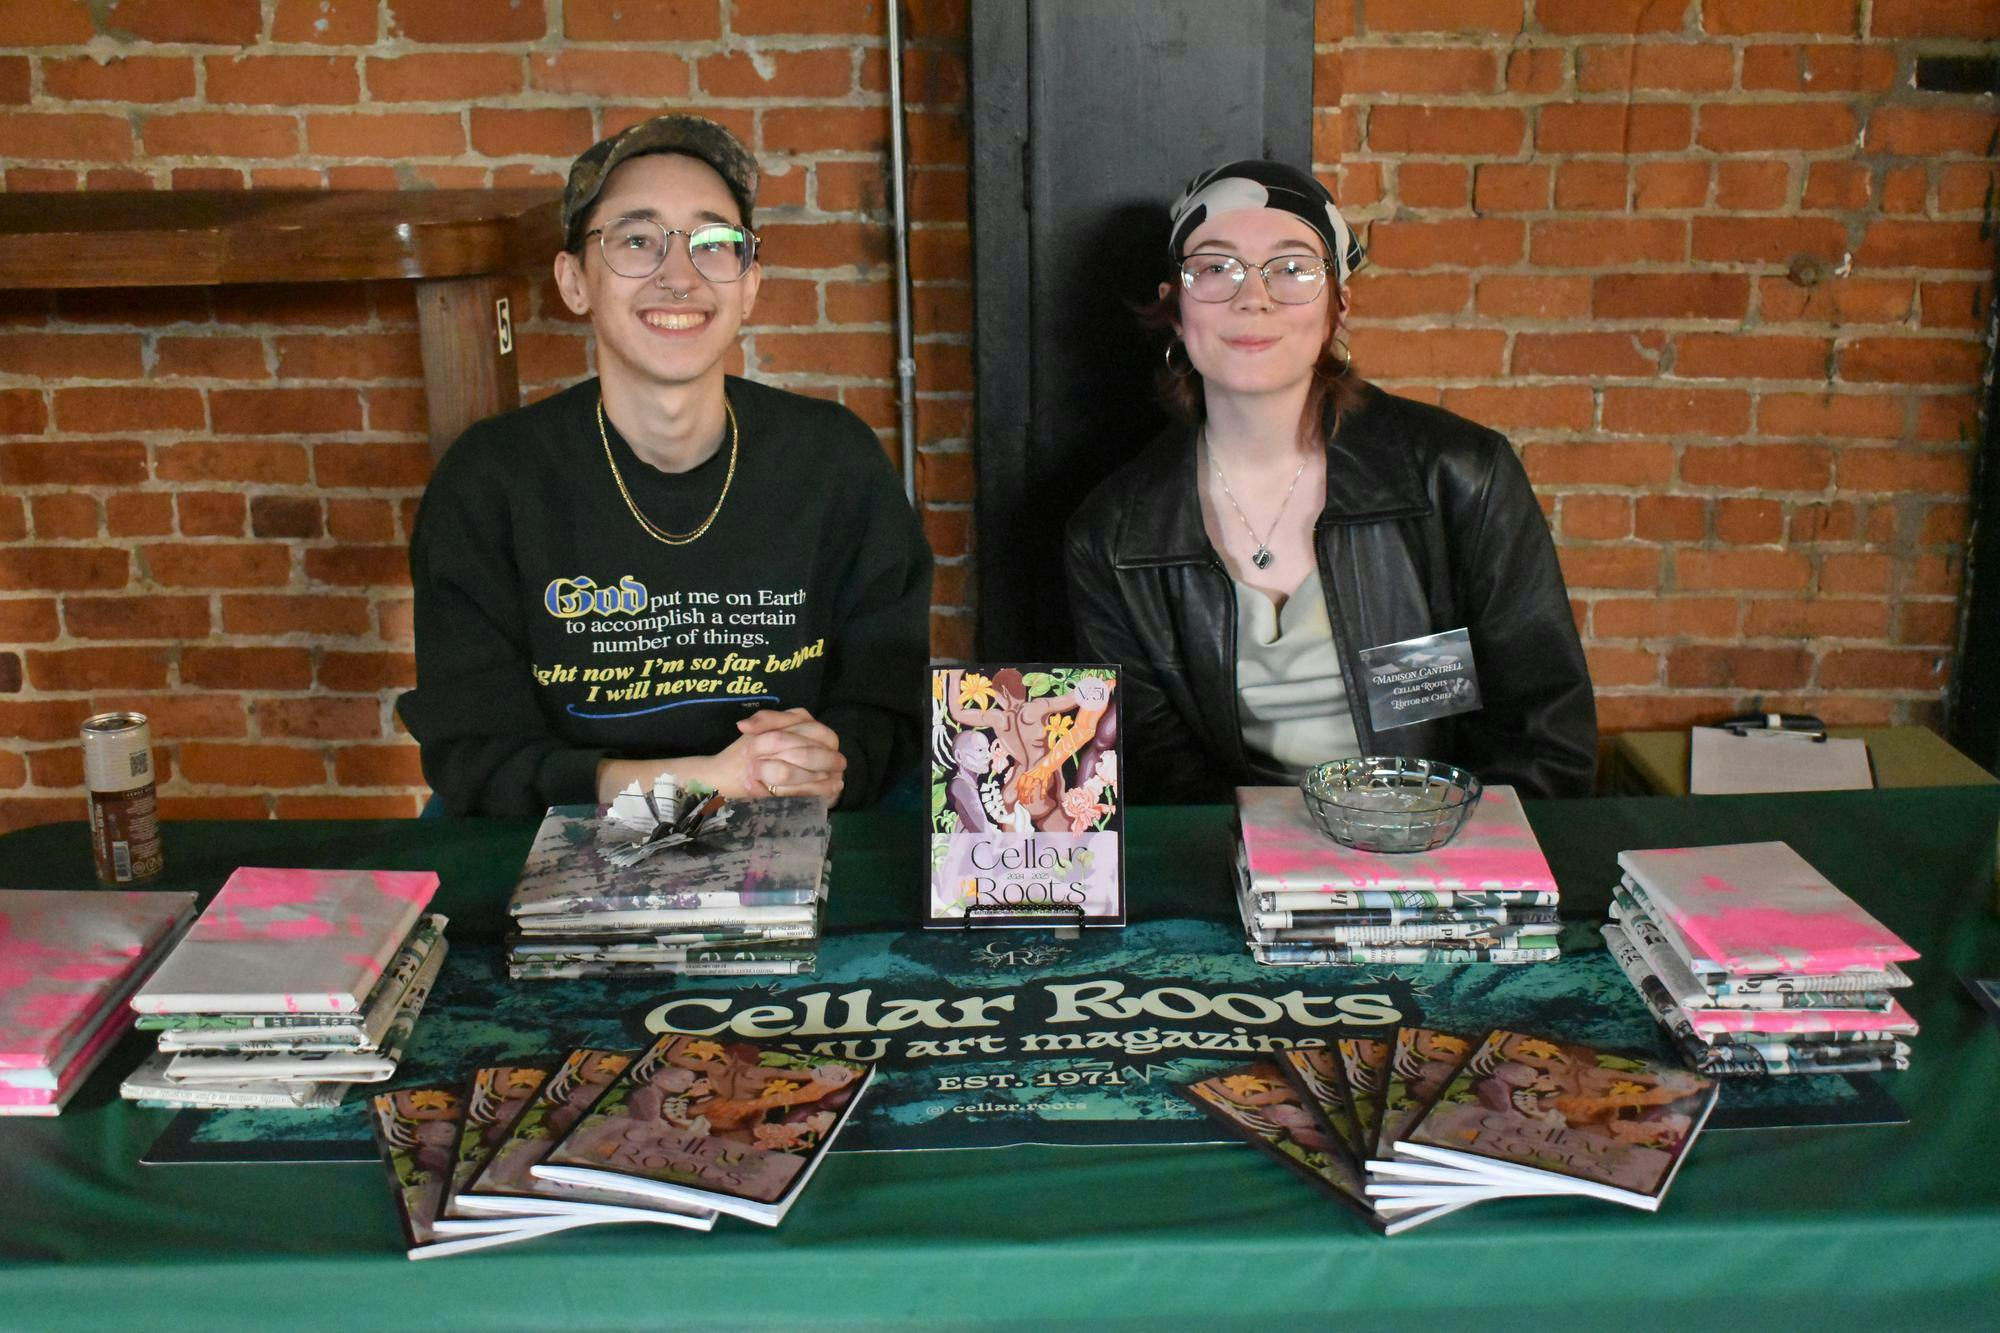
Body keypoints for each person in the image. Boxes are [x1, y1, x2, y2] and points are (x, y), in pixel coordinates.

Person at [399, 115, 932, 815]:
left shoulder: (836, 462)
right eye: (636, 240)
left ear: (749, 283)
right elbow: (474, 752)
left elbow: (889, 704)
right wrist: (698, 783)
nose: (678, 276)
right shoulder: (491, 482)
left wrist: (834, 760)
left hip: (794, 824)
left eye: (714, 244)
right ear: (574, 281)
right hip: (564, 835)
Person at [1064, 159, 1595, 802]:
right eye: (1214, 268)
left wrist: (1454, 870)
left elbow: (1544, 739)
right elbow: (1159, 768)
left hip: (1445, 856)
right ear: (1175, 310)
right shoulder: (1114, 536)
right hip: (1243, 864)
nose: (1252, 297)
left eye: (1292, 269)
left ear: (1338, 306)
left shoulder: (1458, 478)